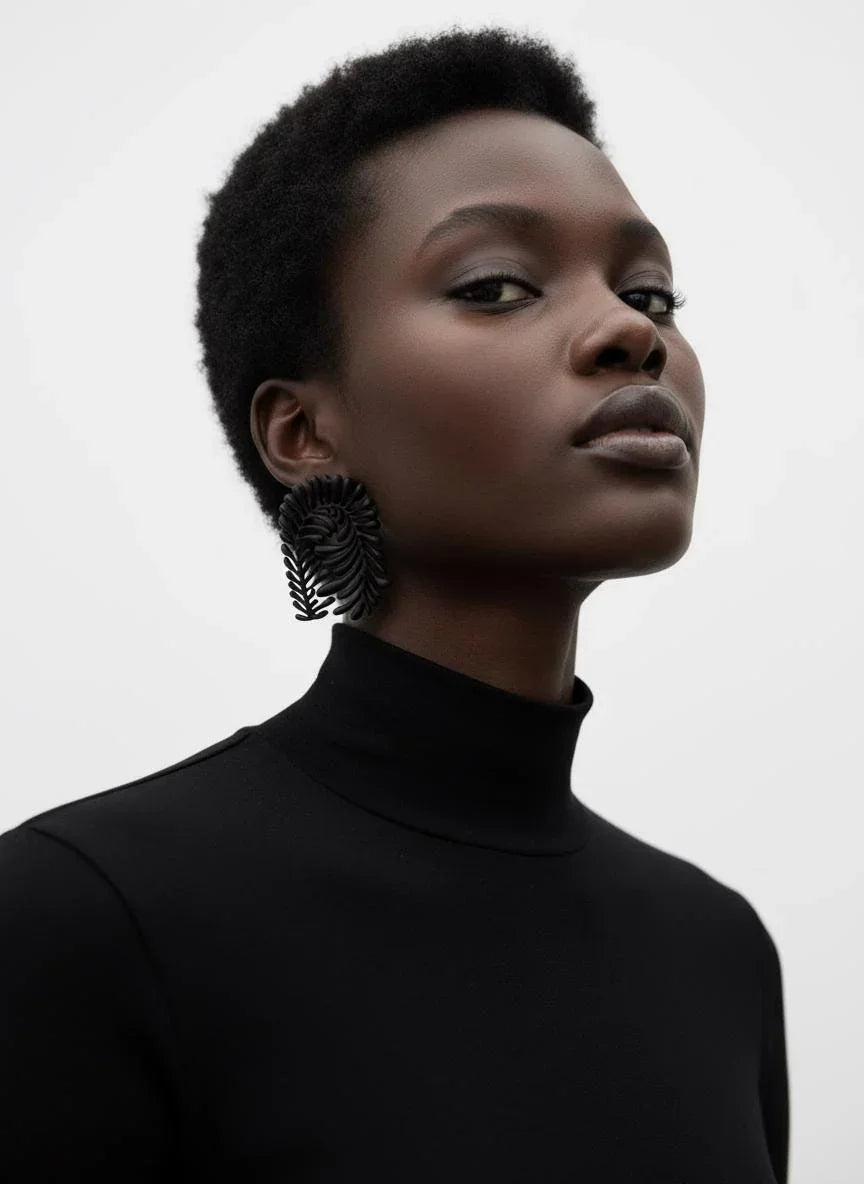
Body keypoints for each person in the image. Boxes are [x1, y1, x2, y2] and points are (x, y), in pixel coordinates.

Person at [0, 24, 789, 1182]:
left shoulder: (719, 952)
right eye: (497, 286)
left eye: (651, 291)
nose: (632, 333)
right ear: (305, 431)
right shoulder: (81, 918)